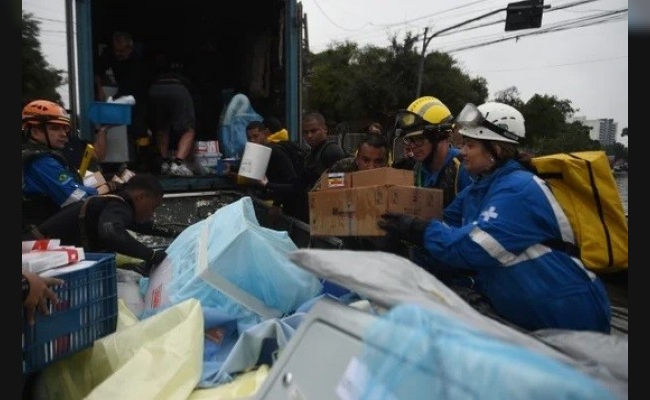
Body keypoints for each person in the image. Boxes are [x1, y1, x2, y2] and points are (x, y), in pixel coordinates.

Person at [378, 102, 612, 333]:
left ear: (496, 150)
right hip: (526, 314)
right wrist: (399, 225)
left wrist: (418, 230)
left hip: (568, 315)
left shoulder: (518, 189)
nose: (462, 151)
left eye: (470, 145)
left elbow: (473, 248)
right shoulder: (478, 190)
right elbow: (443, 220)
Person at [23, 174, 169, 276]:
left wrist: (173, 232)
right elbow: (111, 232)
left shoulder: (113, 203)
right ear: (140, 197)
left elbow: (138, 224)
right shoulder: (117, 206)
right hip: (33, 262)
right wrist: (151, 255)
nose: (152, 213)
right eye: (153, 206)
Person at [22, 100, 100, 234]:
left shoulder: (39, 155)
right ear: (35, 132)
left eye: (65, 128)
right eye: (55, 128)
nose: (63, 134)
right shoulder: (41, 162)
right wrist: (102, 192)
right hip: (39, 239)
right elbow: (75, 199)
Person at [258, 112, 346, 222]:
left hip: (325, 217)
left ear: (324, 129)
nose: (309, 136)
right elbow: (297, 185)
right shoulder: (311, 154)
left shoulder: (331, 152)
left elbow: (339, 187)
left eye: (314, 131)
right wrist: (270, 188)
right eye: (306, 132)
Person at [394, 96, 472, 208]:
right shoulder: (418, 169)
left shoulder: (463, 169)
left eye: (418, 139)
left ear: (438, 136)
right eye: (409, 140)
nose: (412, 146)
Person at [93, 31, 151, 173]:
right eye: (116, 50)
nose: (119, 53)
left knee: (140, 129)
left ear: (130, 47)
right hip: (123, 92)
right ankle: (122, 162)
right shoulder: (110, 54)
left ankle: (144, 163)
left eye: (122, 50)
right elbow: (97, 71)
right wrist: (100, 89)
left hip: (139, 94)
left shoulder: (139, 58)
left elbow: (141, 83)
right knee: (115, 125)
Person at [148, 53, 198, 176]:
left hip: (155, 88)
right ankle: (178, 163)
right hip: (178, 88)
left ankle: (164, 163)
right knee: (189, 130)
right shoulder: (187, 64)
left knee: (161, 128)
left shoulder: (155, 63)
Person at [245, 121, 300, 219]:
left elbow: (290, 182)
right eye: (249, 138)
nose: (252, 140)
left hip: (290, 206)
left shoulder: (275, 152)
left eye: (256, 136)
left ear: (265, 134)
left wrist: (277, 204)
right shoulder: (259, 152)